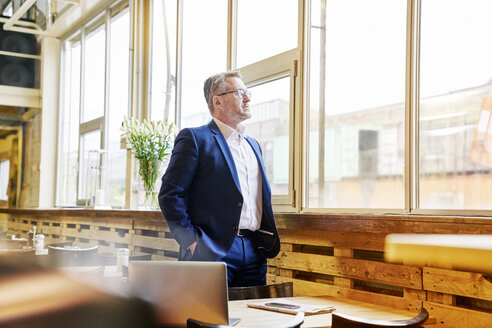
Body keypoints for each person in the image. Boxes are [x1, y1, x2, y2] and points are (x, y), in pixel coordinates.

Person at [158, 71, 280, 287]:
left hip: (254, 249)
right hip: (211, 250)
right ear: (218, 101)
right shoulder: (195, 138)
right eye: (240, 92)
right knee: (209, 319)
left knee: (254, 319)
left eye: (247, 92)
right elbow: (170, 194)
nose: (248, 98)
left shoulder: (253, 145)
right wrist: (192, 242)